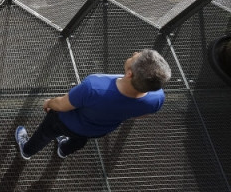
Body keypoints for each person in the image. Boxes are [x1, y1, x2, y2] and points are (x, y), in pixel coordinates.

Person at [15, 49, 171, 160]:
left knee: (45, 134)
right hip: (97, 130)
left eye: (136, 57)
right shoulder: (157, 98)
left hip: (64, 121)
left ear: (130, 74)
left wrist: (49, 102)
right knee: (79, 139)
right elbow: (141, 114)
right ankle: (63, 150)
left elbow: (63, 105)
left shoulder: (95, 86)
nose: (135, 53)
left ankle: (27, 150)